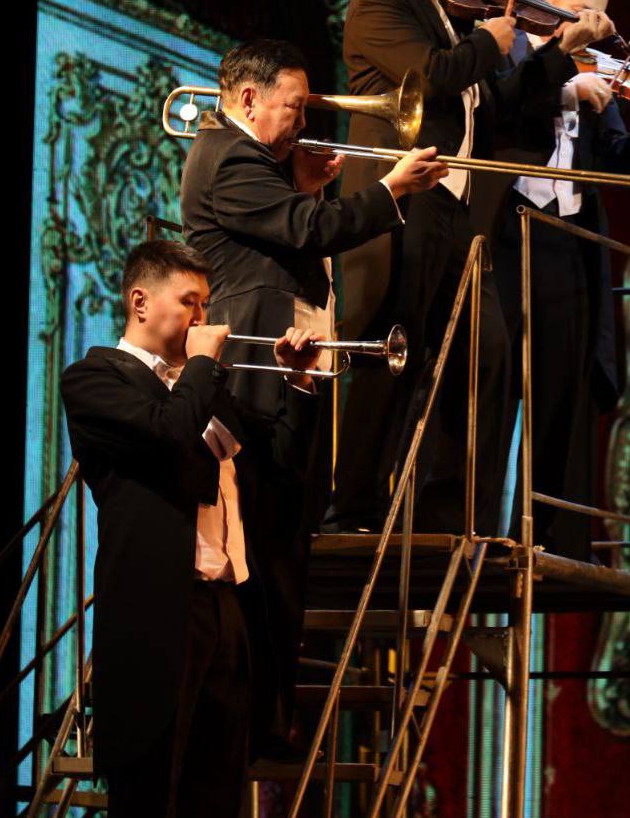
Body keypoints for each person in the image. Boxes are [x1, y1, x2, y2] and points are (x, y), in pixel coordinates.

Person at [181, 38, 447, 740]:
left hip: (289, 367)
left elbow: (289, 235)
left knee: (286, 543)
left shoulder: (254, 161)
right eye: (294, 108)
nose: (304, 122)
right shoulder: (228, 157)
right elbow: (309, 230)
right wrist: (390, 189)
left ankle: (270, 715)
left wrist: (303, 185)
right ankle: (251, 719)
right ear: (248, 99)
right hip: (256, 369)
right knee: (265, 540)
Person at [60, 239, 324, 818]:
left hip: (224, 613)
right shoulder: (95, 380)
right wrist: (204, 365)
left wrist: (297, 384)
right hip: (157, 618)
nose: (205, 320)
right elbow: (168, 433)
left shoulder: (204, 391)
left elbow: (281, 467)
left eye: (206, 305)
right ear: (139, 302)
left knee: (213, 814)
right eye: (190, 303)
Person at [325, 0, 568, 537]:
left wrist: (557, 57)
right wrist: (488, 42)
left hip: (451, 208)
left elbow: (491, 102)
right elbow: (428, 77)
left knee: (469, 355)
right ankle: (352, 510)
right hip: (402, 200)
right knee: (391, 354)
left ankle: (434, 512)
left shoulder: (442, 9)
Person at [471, 0, 630, 558]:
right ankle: (473, 524)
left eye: (600, 18)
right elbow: (500, 111)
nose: (594, 30)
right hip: (503, 232)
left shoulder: (594, 69)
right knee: (492, 380)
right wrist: (567, 87)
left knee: (560, 389)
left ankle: (544, 536)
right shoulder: (501, 48)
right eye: (582, 14)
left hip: (567, 242)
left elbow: (619, 160)